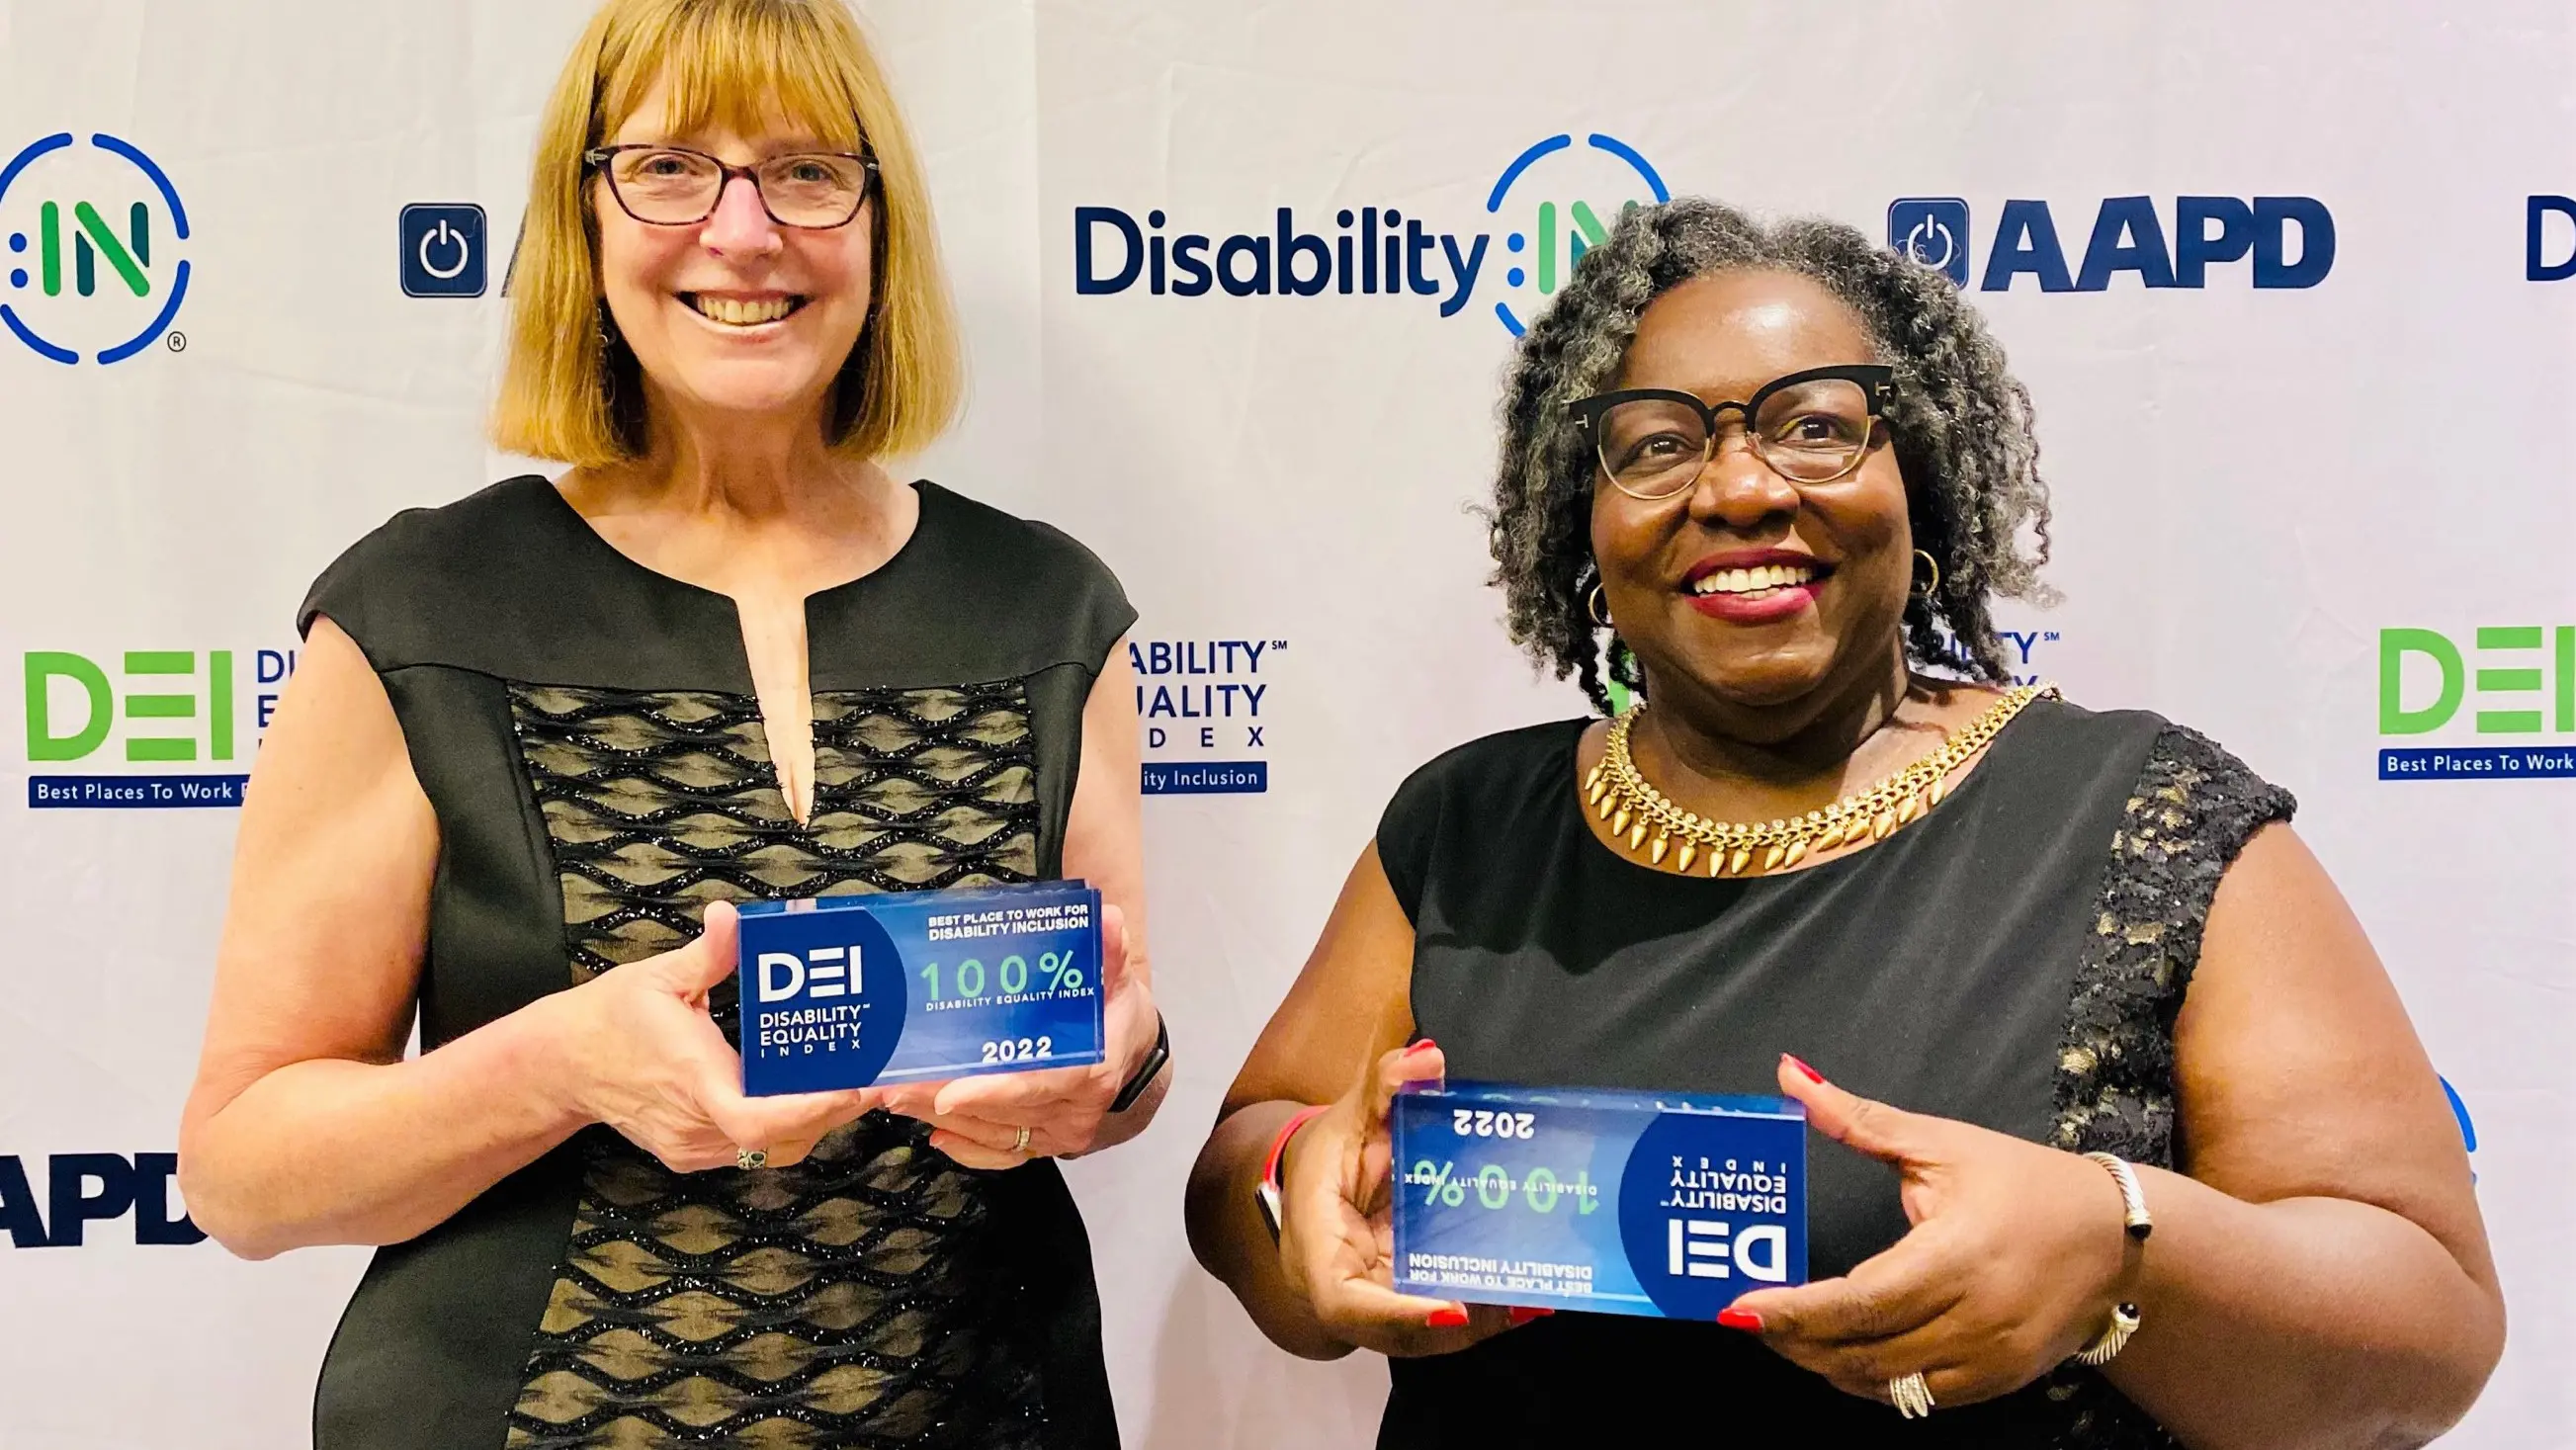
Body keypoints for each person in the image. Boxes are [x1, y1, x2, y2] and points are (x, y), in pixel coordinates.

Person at [1183, 198, 2504, 1448]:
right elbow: (1249, 1161)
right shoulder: (1465, 825)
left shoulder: (2139, 822)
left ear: (1916, 480)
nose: (1741, 488)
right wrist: (1293, 1185)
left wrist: (2117, 1238)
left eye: (1813, 426)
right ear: (1581, 533)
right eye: (1654, 443)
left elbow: (2423, 1330)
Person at [177, 3, 1168, 1446]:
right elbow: (241, 1170)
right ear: (583, 219)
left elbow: (1117, 1051)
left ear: (877, 221)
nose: (744, 231)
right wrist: (562, 1064)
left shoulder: (1048, 608)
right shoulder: (419, 609)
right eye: (670, 168)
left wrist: (1111, 1066)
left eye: (807, 172)